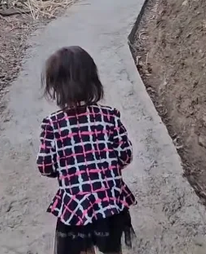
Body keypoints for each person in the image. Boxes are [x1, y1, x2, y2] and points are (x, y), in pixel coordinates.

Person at [37, 46, 136, 254]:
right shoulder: (110, 116)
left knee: (81, 248)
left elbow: (45, 167)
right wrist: (107, 168)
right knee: (112, 248)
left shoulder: (52, 125)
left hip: (75, 206)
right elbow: (125, 155)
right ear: (93, 80)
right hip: (110, 203)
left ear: (55, 86)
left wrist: (66, 170)